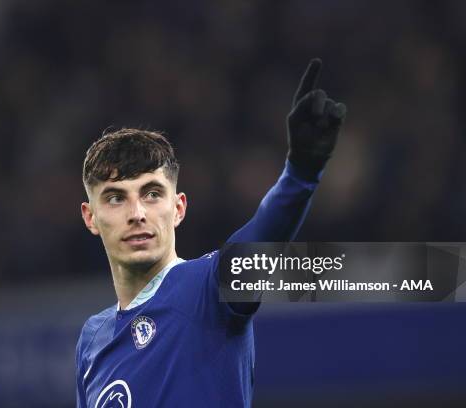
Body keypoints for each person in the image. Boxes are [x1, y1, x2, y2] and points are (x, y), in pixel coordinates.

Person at [76, 58, 346, 407]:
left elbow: (262, 237)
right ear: (91, 217)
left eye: (152, 194)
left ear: (179, 208)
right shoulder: (91, 340)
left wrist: (300, 173)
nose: (137, 213)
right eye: (115, 198)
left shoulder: (205, 288)